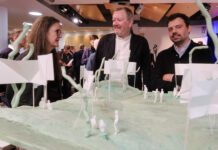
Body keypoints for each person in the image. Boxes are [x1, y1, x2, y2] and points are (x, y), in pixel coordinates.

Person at [6, 16, 64, 106]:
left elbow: (53, 92)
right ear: (44, 32)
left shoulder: (51, 57)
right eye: (57, 31)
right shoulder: (26, 59)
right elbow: (12, 94)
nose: (60, 36)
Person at [152, 13, 213, 92]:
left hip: (194, 102)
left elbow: (205, 81)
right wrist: (177, 87)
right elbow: (154, 83)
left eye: (178, 27)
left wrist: (172, 77)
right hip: (169, 103)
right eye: (170, 29)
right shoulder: (162, 56)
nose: (173, 31)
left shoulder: (203, 51)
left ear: (188, 28)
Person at [94, 7, 151, 90]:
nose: (115, 23)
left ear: (130, 22)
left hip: (132, 93)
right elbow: (96, 66)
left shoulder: (141, 43)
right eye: (113, 20)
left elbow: (147, 71)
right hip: (107, 93)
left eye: (119, 20)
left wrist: (147, 92)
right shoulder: (104, 41)